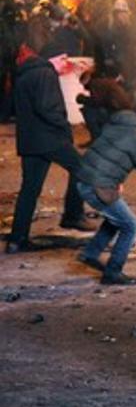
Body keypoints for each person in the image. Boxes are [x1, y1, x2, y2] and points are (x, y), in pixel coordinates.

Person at [6, 47, 94, 254]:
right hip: (49, 138)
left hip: (30, 140)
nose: (65, 64)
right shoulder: (45, 73)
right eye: (62, 59)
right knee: (83, 169)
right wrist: (64, 127)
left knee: (29, 190)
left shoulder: (24, 75)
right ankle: (72, 216)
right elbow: (47, 107)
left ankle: (17, 240)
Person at [74, 89, 136, 285]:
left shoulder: (117, 122)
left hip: (85, 179)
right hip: (98, 185)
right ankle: (113, 272)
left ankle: (90, 253)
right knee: (130, 225)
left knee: (116, 218)